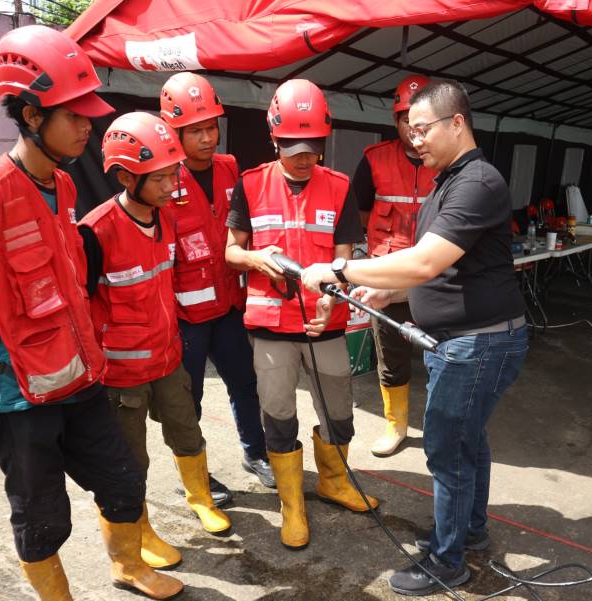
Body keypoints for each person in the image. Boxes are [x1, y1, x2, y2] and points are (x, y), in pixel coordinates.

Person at [0, 25, 182, 600]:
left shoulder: (66, 187)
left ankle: (127, 566)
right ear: (28, 114)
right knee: (41, 513)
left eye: (87, 114)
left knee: (121, 481)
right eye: (72, 115)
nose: (87, 125)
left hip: (77, 375)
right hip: (14, 395)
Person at [301, 80, 528, 596]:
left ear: (456, 123)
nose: (413, 137)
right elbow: (432, 269)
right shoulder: (447, 181)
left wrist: (340, 269)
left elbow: (425, 259)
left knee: (447, 451)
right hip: (468, 340)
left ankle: (449, 562)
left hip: (478, 343)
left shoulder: (477, 182)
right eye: (407, 127)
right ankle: (467, 533)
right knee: (468, 442)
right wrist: (381, 295)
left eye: (422, 128)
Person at [224, 79, 379, 550]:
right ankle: (292, 503)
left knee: (339, 414)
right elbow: (231, 252)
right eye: (293, 148)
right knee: (278, 414)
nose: (304, 157)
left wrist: (334, 293)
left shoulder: (340, 187)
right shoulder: (250, 185)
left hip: (324, 325)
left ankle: (333, 481)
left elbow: (343, 259)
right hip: (271, 329)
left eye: (312, 147)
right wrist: (255, 259)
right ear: (273, 139)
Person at [78, 112, 233, 571]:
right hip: (122, 374)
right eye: (161, 178)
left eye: (174, 174)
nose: (172, 186)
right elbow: (83, 308)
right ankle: (139, 530)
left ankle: (200, 497)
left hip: (169, 361)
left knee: (188, 433)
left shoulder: (164, 220)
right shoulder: (95, 232)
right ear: (126, 176)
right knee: (131, 461)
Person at [159, 72, 274, 496]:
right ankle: (196, 478)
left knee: (245, 384)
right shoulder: (162, 179)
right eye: (196, 130)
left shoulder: (230, 168)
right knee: (187, 402)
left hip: (228, 305)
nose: (208, 138)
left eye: (212, 127)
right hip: (187, 317)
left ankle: (255, 452)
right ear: (174, 131)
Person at [353, 74, 437, 457]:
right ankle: (396, 426)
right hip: (387, 276)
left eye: (421, 119)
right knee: (391, 354)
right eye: (405, 118)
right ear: (396, 120)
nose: (413, 128)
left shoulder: (450, 162)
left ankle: (439, 427)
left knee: (442, 354)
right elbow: (362, 211)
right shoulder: (373, 160)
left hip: (436, 277)